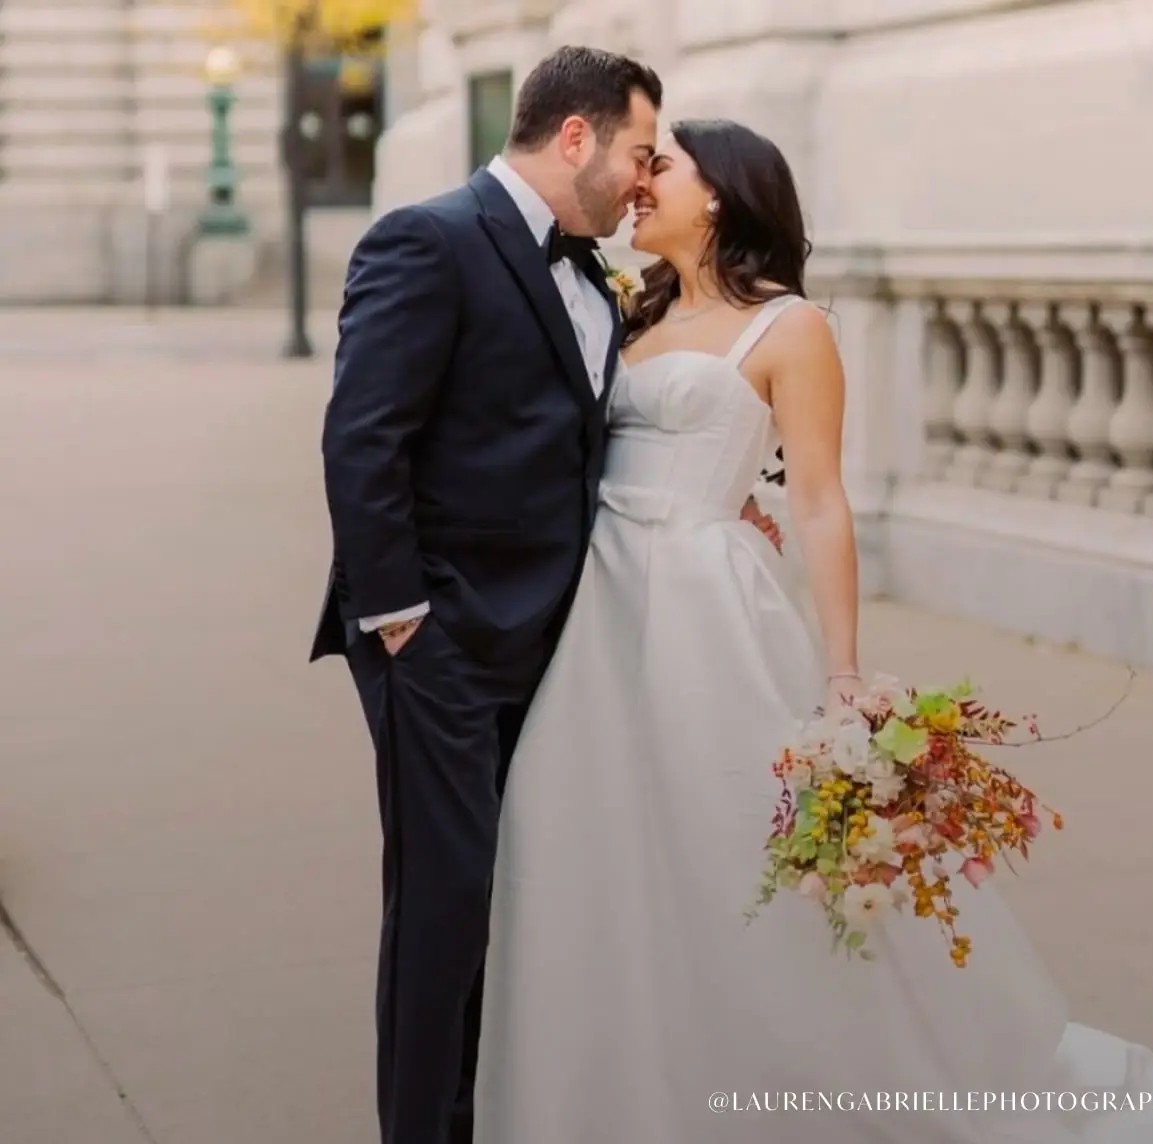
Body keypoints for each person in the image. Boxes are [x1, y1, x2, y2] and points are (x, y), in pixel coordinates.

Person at [472, 119, 1153, 1144]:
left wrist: (841, 670)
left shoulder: (791, 328)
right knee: (586, 842)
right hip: (594, 609)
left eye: (659, 165)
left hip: (702, 612)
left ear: (720, 194)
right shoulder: (621, 309)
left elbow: (816, 501)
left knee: (730, 849)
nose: (637, 182)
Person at [311, 47, 779, 1144]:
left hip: (565, 648)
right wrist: (401, 623)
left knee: (526, 910)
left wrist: (725, 497)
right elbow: (362, 439)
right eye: (636, 152)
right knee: (443, 913)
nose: (642, 178)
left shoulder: (596, 278)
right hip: (443, 650)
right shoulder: (425, 239)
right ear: (576, 138)